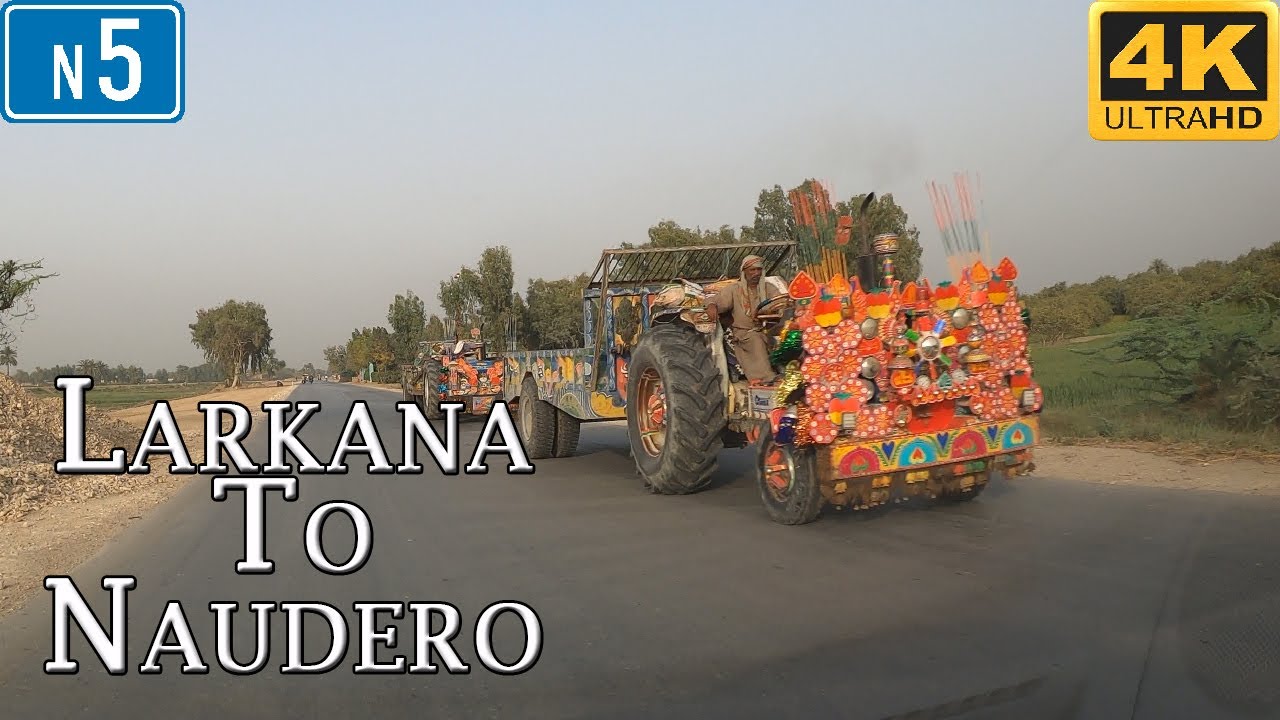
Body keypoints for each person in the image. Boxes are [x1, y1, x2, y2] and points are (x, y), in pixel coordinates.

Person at [706, 255, 782, 382]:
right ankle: (766, 379)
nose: (756, 273)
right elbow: (717, 302)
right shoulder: (733, 289)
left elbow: (781, 302)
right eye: (752, 270)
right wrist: (711, 305)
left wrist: (772, 309)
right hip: (745, 334)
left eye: (759, 270)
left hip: (769, 330)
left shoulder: (769, 288)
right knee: (756, 339)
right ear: (744, 271)